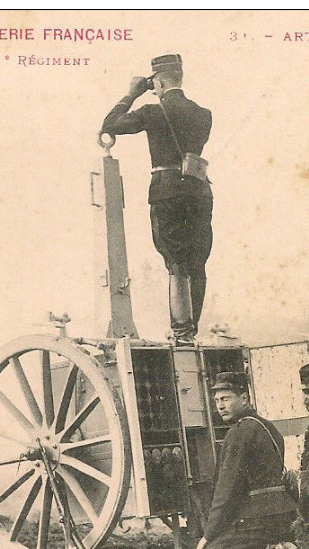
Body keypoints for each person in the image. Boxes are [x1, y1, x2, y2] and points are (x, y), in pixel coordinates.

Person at [101, 54, 213, 344]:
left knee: (176, 262)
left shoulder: (152, 112)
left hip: (167, 191)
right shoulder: (204, 115)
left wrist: (131, 94)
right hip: (199, 190)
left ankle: (182, 332)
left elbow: (109, 125)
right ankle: (191, 331)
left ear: (159, 82)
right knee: (197, 262)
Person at [191, 372, 297, 549]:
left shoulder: (239, 432)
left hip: (256, 520)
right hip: (283, 516)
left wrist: (208, 536)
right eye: (217, 401)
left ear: (244, 399)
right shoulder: (269, 427)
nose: (220, 406)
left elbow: (226, 490)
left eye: (226, 399)